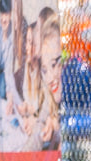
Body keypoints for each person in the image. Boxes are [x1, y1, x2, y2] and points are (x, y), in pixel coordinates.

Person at [24, 13, 60, 150]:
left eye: (55, 64)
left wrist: (57, 130)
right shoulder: (49, 93)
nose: (50, 78)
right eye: (45, 70)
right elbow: (41, 123)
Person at [0, 0, 20, 115]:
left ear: (10, 14)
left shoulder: (12, 32)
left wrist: (10, 93)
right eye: (1, 14)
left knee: (3, 94)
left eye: (6, 14)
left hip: (3, 71)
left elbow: (8, 68)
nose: (3, 19)